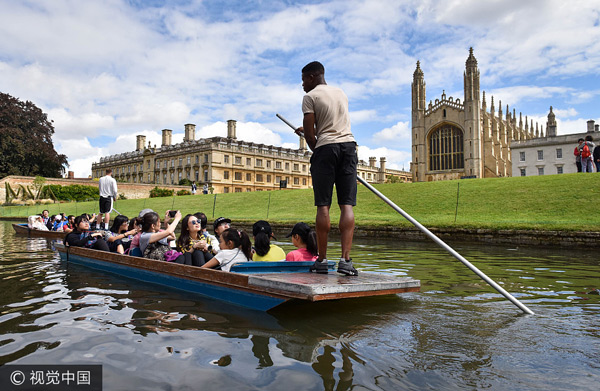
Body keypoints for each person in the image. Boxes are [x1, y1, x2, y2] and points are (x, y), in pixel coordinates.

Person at [295, 61, 358, 276]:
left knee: (323, 206)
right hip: (348, 147)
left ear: (312, 76)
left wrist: (317, 149)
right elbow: (331, 122)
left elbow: (312, 135)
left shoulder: (309, 97)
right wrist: (311, 131)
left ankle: (322, 260)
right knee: (346, 205)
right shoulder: (341, 93)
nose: (303, 85)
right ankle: (346, 261)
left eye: (304, 80)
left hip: (326, 149)